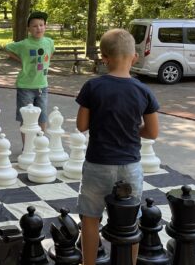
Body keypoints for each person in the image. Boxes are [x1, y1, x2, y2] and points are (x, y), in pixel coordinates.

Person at [74, 28, 160, 265]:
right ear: (134, 57)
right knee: (129, 222)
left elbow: (81, 126)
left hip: (97, 164)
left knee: (90, 220)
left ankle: (88, 263)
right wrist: (134, 130)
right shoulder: (143, 90)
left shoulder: (93, 87)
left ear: (104, 58)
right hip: (129, 166)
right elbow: (152, 132)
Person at [5, 11, 54, 147]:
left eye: (41, 25)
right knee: (26, 118)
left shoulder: (50, 42)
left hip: (42, 86)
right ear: (29, 29)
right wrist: (21, 59)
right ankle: (27, 147)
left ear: (45, 26)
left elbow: (50, 54)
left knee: (42, 117)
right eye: (34, 26)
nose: (38, 28)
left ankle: (41, 145)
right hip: (25, 87)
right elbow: (7, 47)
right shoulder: (24, 44)